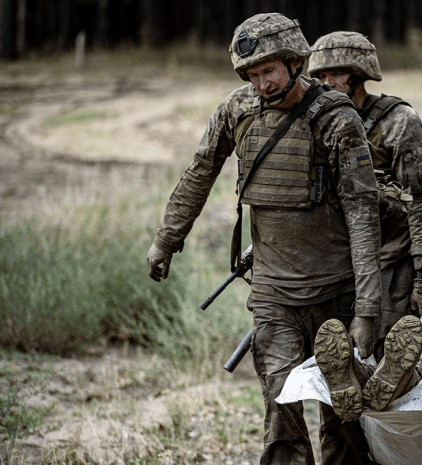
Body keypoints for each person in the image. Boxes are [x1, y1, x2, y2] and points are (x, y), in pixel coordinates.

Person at [144, 12, 382, 465]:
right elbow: (200, 173)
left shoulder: (336, 120)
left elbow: (362, 213)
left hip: (337, 292)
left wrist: (368, 310)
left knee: (345, 421)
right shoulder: (238, 110)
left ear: (295, 62)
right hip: (274, 293)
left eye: (268, 71)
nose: (261, 84)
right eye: (251, 75)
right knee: (280, 406)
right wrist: (166, 239)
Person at [307, 31, 422, 362]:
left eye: (335, 75)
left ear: (358, 77)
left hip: (390, 263)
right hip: (334, 266)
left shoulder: (397, 122)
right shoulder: (315, 124)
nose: (326, 84)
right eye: (321, 77)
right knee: (333, 360)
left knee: (389, 357)